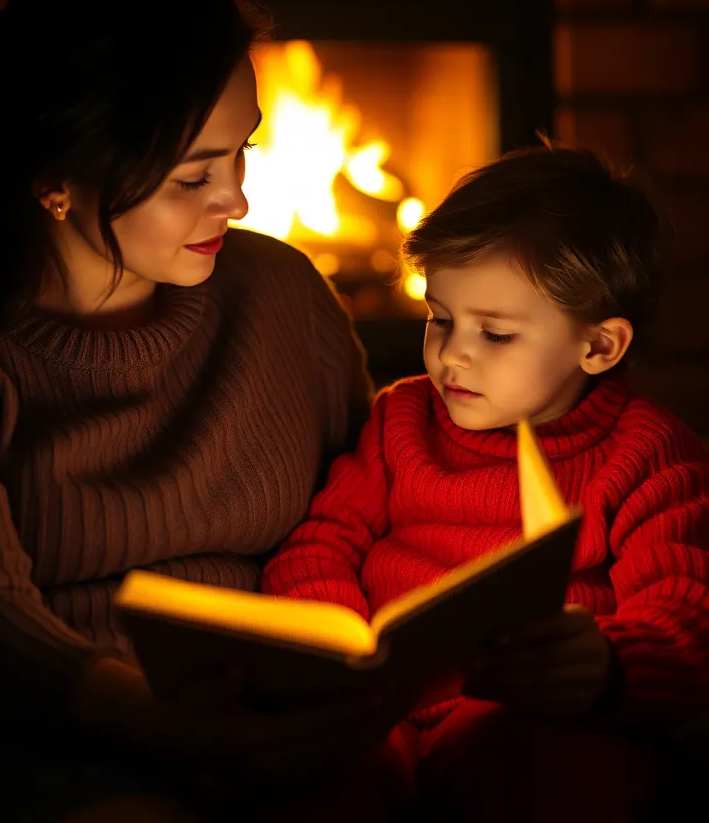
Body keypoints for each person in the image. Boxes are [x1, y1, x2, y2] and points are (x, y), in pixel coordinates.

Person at [0, 0, 399, 823]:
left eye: (242, 152)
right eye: (192, 176)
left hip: (278, 720)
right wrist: (176, 731)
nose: (238, 202)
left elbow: (379, 509)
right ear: (54, 178)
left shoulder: (280, 295)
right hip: (29, 735)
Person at [262, 144, 709, 823]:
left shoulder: (651, 454)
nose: (452, 353)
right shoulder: (402, 417)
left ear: (598, 347)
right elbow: (321, 543)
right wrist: (339, 648)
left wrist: (607, 661)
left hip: (531, 713)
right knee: (318, 772)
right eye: (439, 318)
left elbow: (686, 610)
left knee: (555, 774)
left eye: (495, 334)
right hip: (382, 706)